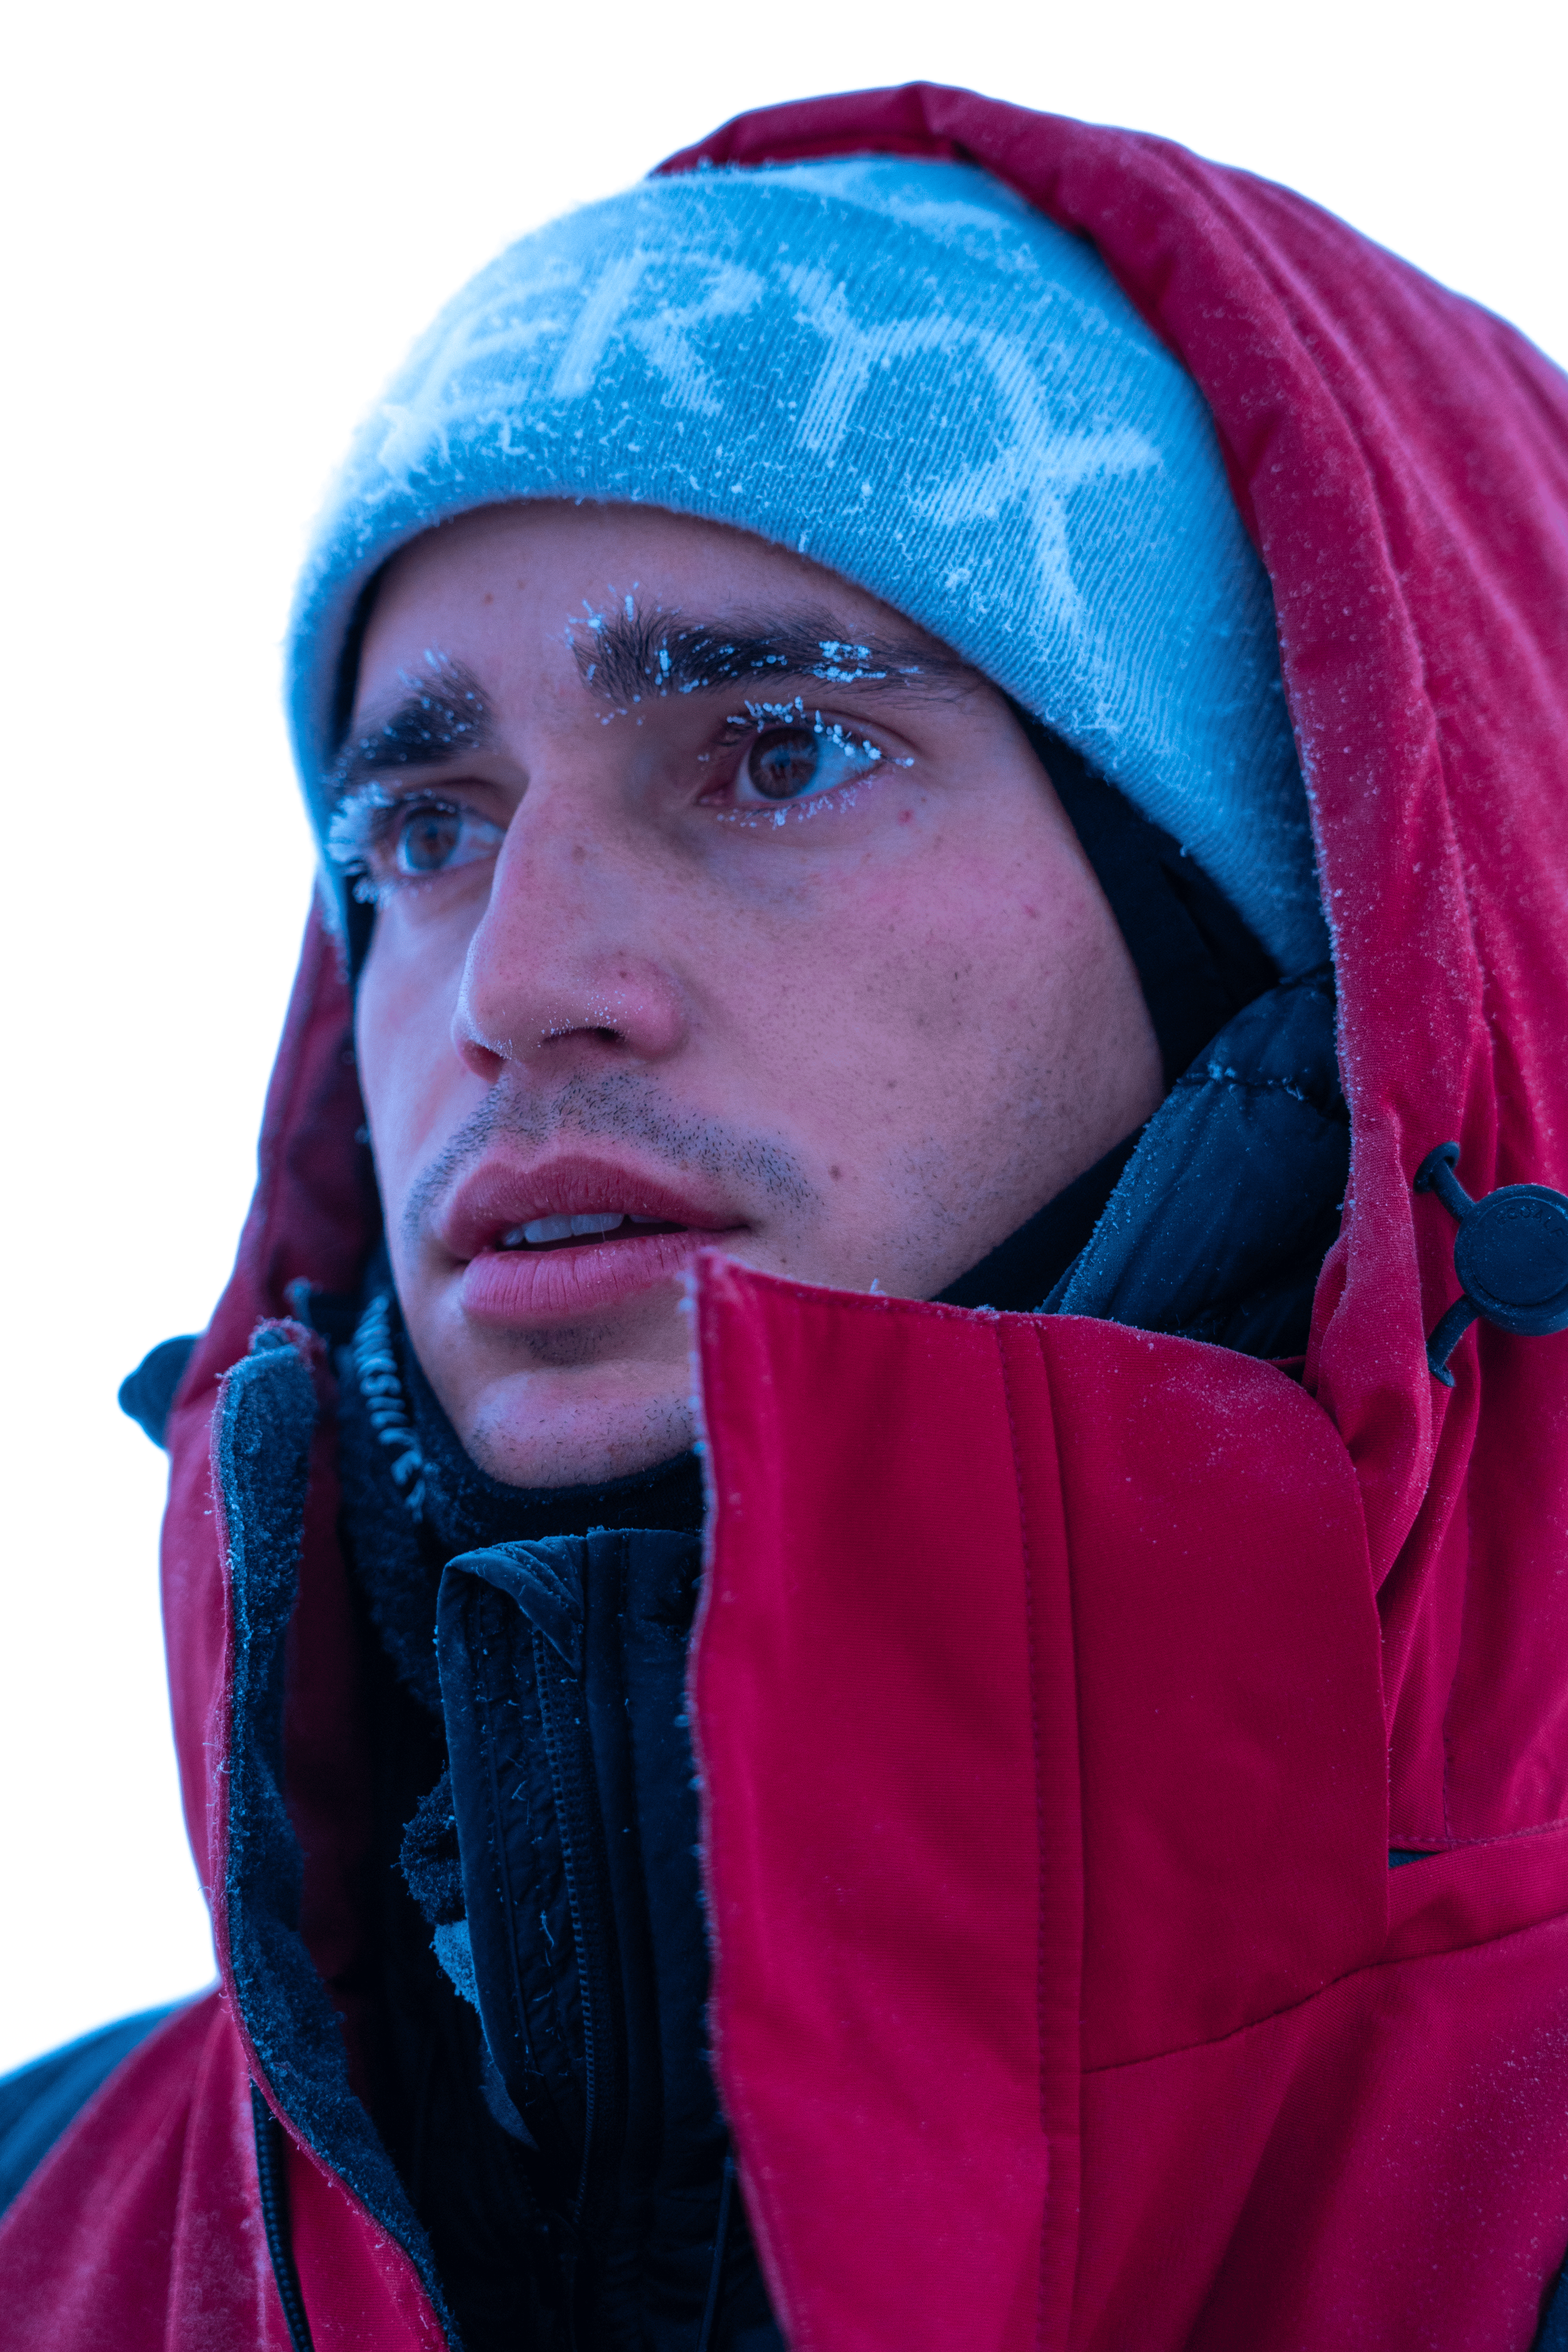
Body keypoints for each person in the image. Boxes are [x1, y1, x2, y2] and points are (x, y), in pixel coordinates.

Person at [4, 77, 1568, 2352]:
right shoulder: (55, 2235)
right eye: (419, 830)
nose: (518, 985)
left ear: (1286, 946)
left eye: (776, 750)